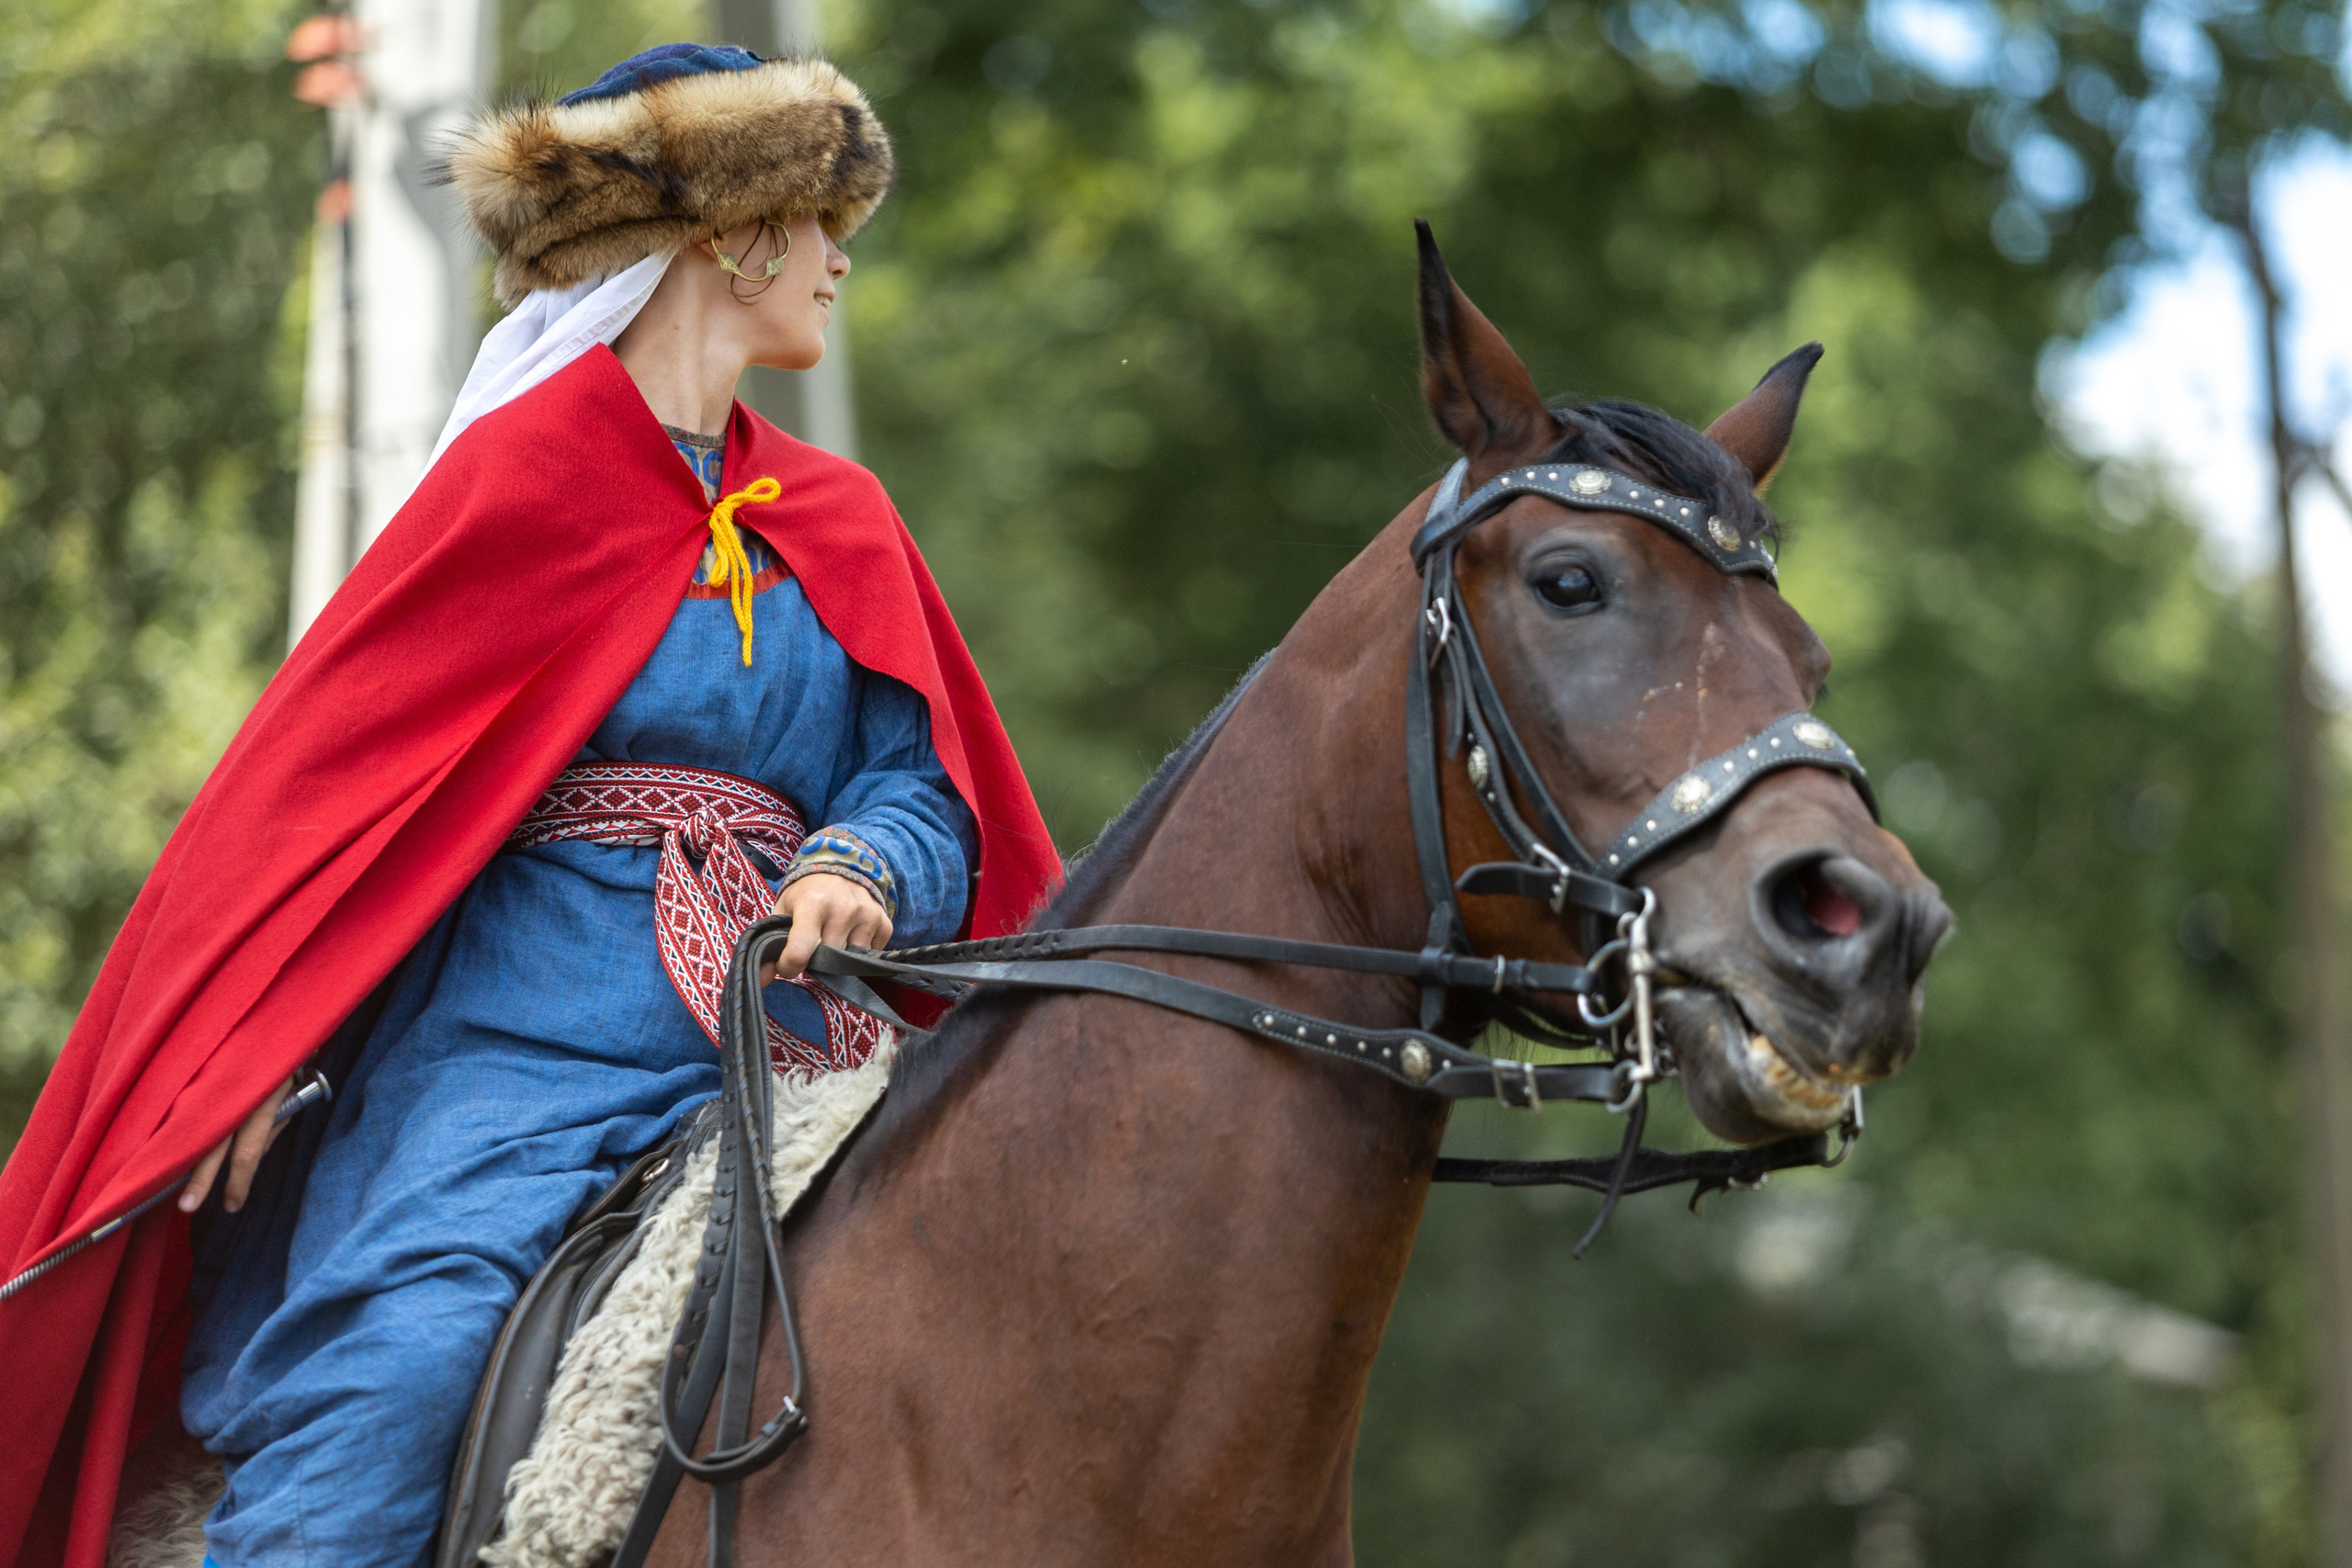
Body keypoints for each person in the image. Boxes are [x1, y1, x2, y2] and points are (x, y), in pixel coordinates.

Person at [0, 45, 1060, 1568]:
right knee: (398, 1381)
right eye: (820, 223)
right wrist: (250, 1048)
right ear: (731, 234)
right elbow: (325, 825)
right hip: (512, 1065)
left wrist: (860, 860)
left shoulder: (839, 516)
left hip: (797, 1049)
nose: (838, 262)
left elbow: (925, 775)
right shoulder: (521, 487)